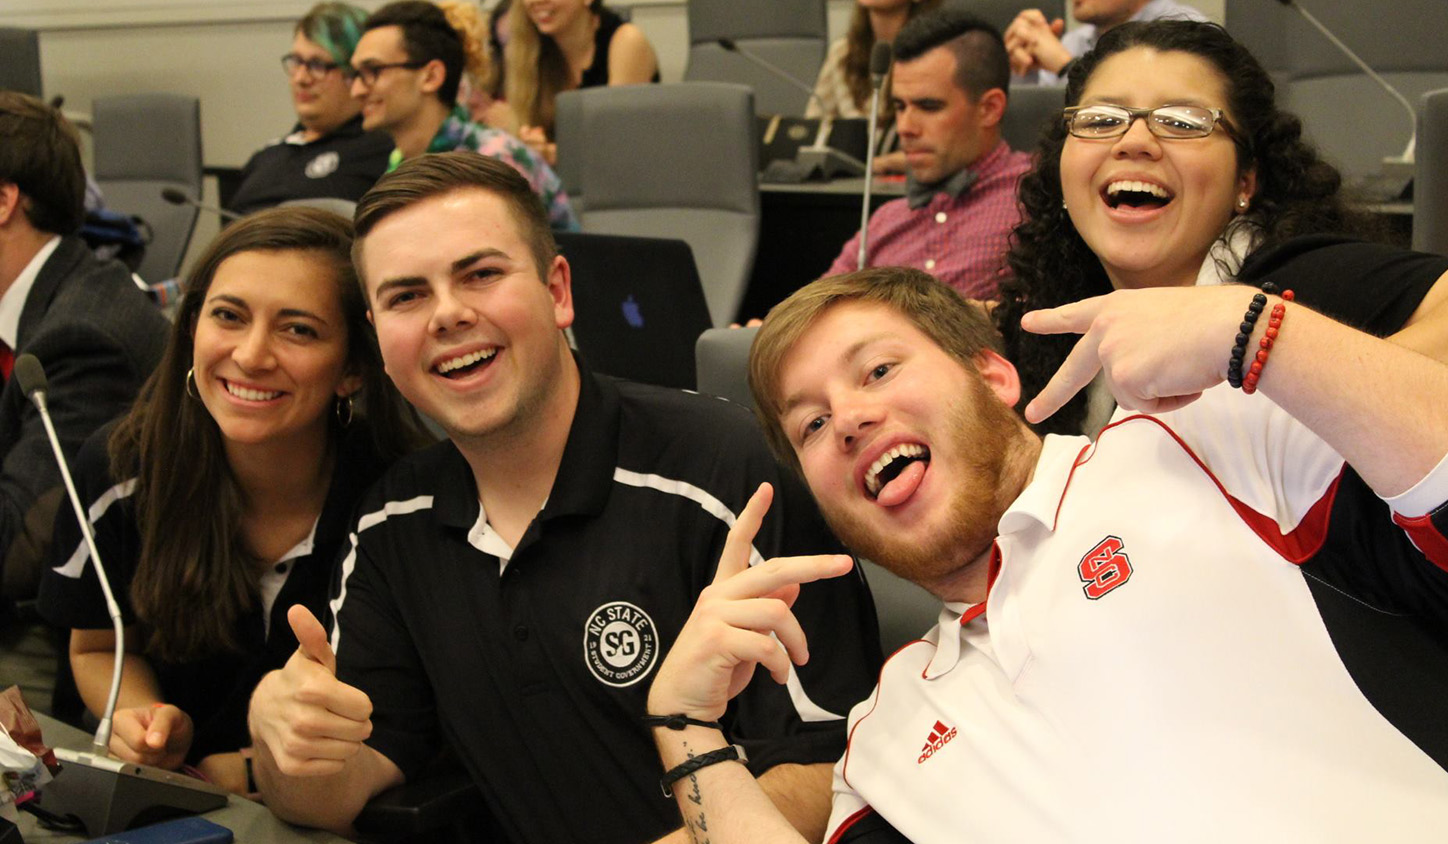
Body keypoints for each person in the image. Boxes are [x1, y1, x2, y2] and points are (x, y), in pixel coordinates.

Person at [646, 266, 1448, 842]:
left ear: (993, 376)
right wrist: (687, 728)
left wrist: (1258, 333)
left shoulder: (1194, 441)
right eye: (811, 426)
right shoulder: (884, 738)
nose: (850, 420)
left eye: (876, 372)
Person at [245, 152, 882, 843]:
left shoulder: (721, 471)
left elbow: (829, 772)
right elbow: (342, 791)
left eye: (481, 275)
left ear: (557, 292)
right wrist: (287, 745)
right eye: (407, 297)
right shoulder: (392, 522)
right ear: (377, 338)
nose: (448, 315)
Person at [36, 207, 427, 793]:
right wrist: (141, 718)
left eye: (298, 329)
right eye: (228, 316)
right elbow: (97, 648)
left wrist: (250, 769)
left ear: (352, 368)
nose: (250, 355)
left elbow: (412, 714)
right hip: (152, 797)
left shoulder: (402, 499)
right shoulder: (120, 469)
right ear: (191, 326)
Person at [999, 20, 1448, 436]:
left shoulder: (1292, 281)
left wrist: (1264, 355)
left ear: (1246, 181)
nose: (1134, 141)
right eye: (1101, 119)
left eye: (1182, 122)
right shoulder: (1052, 313)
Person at [0, 92, 168, 711]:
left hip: (56, 643)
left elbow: (18, 548)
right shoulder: (42, 297)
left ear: (3, 201)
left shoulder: (81, 337)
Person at [824, 11, 1032, 304]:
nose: (905, 128)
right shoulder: (885, 220)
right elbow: (813, 312)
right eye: (899, 106)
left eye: (929, 106)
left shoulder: (1036, 198)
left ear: (990, 108)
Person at [349, 0, 578, 230]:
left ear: (431, 77)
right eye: (356, 74)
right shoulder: (399, 161)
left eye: (373, 71)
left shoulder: (492, 160)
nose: (356, 90)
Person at [227, 3, 395, 216]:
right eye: (296, 62)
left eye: (317, 65)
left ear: (355, 73)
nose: (301, 78)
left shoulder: (382, 150)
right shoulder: (268, 155)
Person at [505, 0, 659, 166]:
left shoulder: (627, 40)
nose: (536, 1)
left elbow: (618, 147)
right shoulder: (529, 49)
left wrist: (550, 154)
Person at [806, 0, 940, 176]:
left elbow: (945, 150)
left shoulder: (937, 56)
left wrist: (886, 163)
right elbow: (813, 128)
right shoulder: (842, 52)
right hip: (850, 184)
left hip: (908, 183)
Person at [1004, 0, 1206, 84]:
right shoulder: (1073, 41)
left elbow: (1139, 111)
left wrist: (1067, 67)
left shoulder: (1186, 29)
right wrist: (1021, 69)